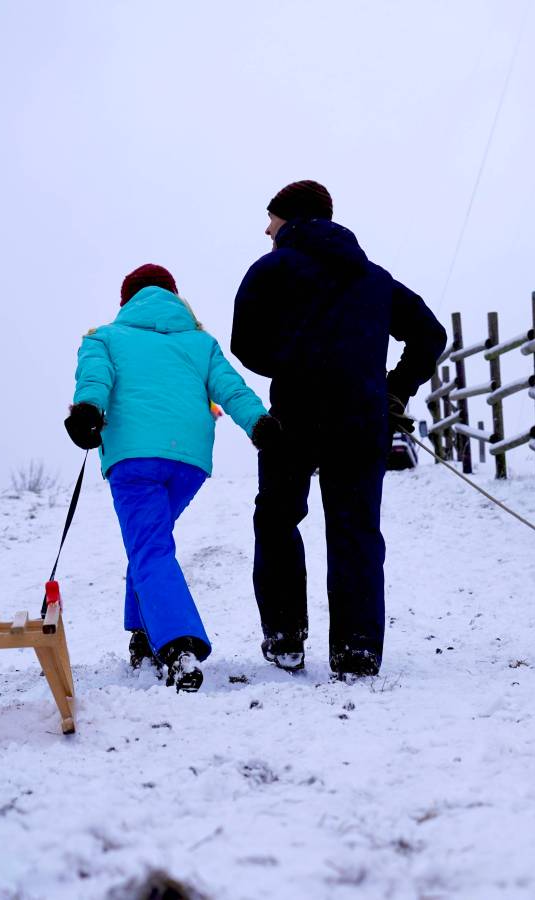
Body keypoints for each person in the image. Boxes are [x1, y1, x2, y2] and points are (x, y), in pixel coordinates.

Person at [231, 180, 447, 677]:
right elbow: (430, 334)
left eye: (272, 218)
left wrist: (291, 365)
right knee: (355, 530)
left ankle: (285, 637)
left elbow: (245, 344)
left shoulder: (270, 270)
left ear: (292, 218)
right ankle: (357, 650)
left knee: (278, 520)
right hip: (361, 417)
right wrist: (394, 389)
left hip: (292, 418)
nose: (267, 228)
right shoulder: (373, 278)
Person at [65, 264, 280, 692]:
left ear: (127, 300)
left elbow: (94, 380)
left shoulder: (104, 337)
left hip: (134, 460)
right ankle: (143, 635)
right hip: (189, 462)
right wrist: (259, 423)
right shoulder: (200, 342)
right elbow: (231, 389)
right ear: (174, 297)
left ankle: (179, 645)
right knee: (149, 542)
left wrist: (87, 411)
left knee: (149, 546)